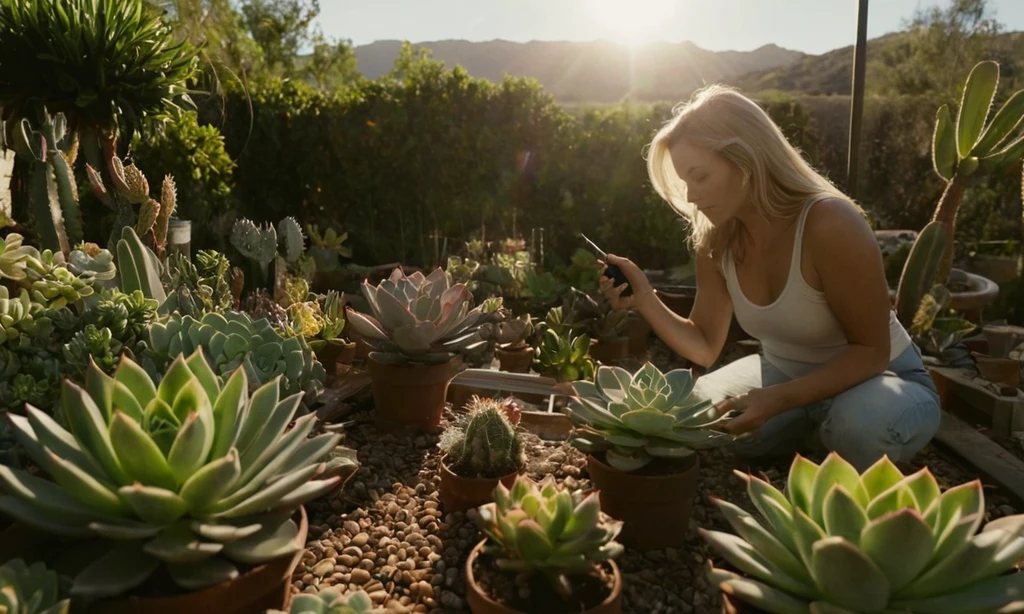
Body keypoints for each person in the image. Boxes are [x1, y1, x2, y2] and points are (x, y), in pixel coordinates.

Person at [598, 84, 940, 471]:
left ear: (745, 159)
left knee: (856, 425)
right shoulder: (716, 238)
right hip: (781, 374)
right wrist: (645, 298)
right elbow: (706, 345)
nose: (691, 196)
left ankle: (834, 432)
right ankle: (812, 432)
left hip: (880, 378)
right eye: (685, 182)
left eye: (700, 176)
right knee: (690, 412)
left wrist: (777, 399)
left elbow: (871, 352)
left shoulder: (829, 222)